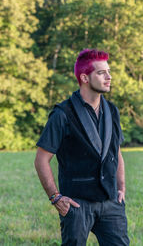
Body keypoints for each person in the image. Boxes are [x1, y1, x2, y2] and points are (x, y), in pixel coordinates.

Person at [34, 49, 129, 246]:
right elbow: (41, 160)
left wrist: (121, 188)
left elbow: (116, 152)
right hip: (76, 204)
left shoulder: (112, 111)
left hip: (110, 203)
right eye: (101, 73)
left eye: (109, 71)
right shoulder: (62, 114)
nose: (109, 77)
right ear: (85, 78)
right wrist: (55, 197)